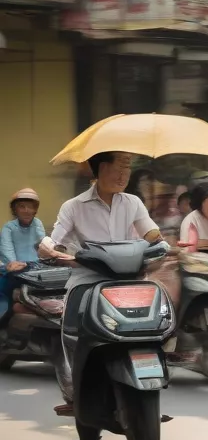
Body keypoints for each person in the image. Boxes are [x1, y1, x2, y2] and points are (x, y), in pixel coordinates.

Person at [38, 152, 162, 415]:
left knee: (158, 318)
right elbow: (54, 239)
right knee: (70, 328)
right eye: (117, 167)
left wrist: (159, 242)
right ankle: (75, 388)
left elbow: (150, 232)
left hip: (129, 279)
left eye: (127, 168)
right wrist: (50, 248)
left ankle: (152, 367)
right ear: (99, 169)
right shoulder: (73, 206)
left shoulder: (133, 202)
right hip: (88, 279)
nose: (123, 175)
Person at [0, 188, 45, 320]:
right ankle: (5, 318)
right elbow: (6, 247)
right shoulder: (9, 226)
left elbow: (43, 244)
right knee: (3, 287)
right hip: (13, 266)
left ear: (35, 209)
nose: (27, 210)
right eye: (22, 207)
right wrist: (12, 262)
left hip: (35, 266)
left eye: (31, 207)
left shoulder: (38, 223)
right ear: (15, 209)